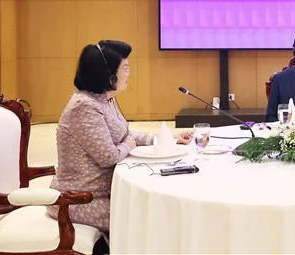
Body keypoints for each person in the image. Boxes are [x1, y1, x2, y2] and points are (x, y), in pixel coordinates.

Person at [47, 40, 192, 242]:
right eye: (125, 67)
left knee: (159, 208)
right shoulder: (84, 107)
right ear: (109, 76)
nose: (129, 73)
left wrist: (164, 138)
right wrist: (128, 146)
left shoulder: (104, 99)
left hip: (106, 192)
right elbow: (110, 156)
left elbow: (125, 135)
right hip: (79, 199)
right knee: (152, 219)